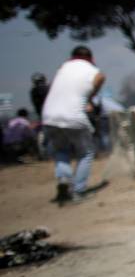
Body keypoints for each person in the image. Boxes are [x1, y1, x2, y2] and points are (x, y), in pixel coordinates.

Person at [41, 45, 105, 203]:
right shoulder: (92, 70)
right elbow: (101, 77)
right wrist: (90, 97)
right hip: (73, 116)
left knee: (60, 151)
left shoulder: (63, 68)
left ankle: (63, 178)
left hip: (49, 116)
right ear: (91, 58)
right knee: (86, 153)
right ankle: (78, 191)